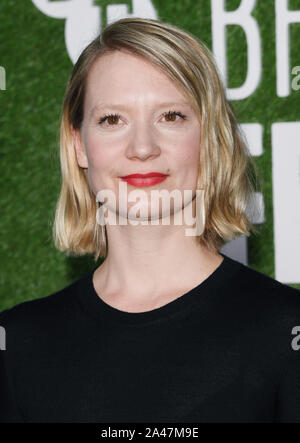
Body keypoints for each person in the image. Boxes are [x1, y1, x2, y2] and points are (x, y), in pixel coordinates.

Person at [0, 17, 300, 423]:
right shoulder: (17, 344)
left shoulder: (286, 329)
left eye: (170, 116)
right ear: (79, 146)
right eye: (112, 119)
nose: (142, 147)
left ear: (208, 136)